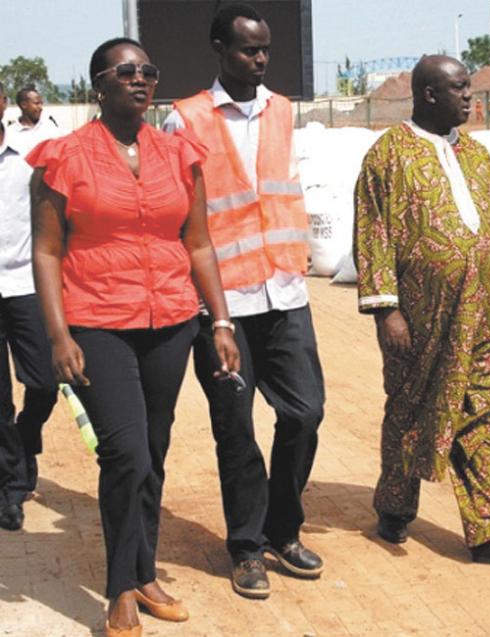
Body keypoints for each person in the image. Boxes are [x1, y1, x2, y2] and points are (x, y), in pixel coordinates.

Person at [30, 38, 240, 636]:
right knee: (125, 452)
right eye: (127, 71)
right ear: (99, 83)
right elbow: (47, 252)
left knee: (154, 451)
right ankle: (121, 585)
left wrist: (219, 322)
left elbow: (198, 243)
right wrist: (58, 334)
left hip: (171, 320)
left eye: (149, 70)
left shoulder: (178, 153)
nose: (142, 80)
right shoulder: (63, 155)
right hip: (96, 321)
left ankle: (144, 570)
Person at [353, 55, 490, 569]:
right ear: (427, 94)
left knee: (481, 411)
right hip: (417, 317)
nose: (470, 96)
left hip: (478, 315)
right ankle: (395, 506)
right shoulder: (388, 156)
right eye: (459, 88)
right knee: (408, 409)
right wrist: (385, 311)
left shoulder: (479, 156)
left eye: (468, 87)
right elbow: (373, 234)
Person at [163, 3, 325, 598]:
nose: (259, 61)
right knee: (235, 427)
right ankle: (247, 546)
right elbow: (177, 216)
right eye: (247, 50)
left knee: (305, 413)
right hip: (221, 304)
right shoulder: (184, 121)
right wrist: (207, 311)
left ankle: (284, 528)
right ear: (218, 49)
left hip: (284, 292)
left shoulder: (283, 111)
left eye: (264, 51)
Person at [0, 81, 58, 532]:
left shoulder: (25, 161)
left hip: (23, 286)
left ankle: (24, 438)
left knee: (43, 383)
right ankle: (11, 486)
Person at [8, 85, 64, 154]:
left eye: (41, 103)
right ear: (24, 105)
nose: (40, 107)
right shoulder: (10, 134)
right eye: (36, 103)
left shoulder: (50, 127)